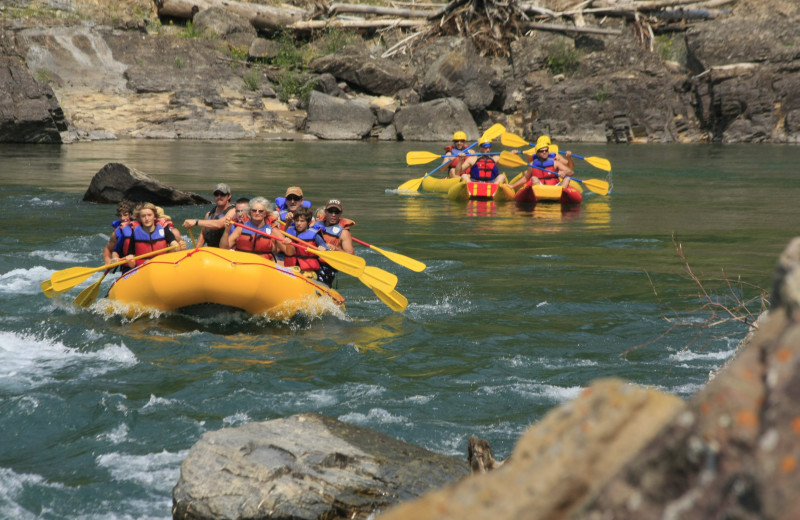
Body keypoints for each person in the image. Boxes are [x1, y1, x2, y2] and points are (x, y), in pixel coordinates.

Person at [116, 202, 187, 268]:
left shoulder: (164, 229)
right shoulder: (135, 233)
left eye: (149, 215)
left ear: (155, 217)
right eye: (143, 216)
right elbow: (131, 258)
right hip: (143, 267)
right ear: (139, 218)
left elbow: (174, 244)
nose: (147, 218)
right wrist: (130, 261)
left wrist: (180, 247)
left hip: (163, 264)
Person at [225, 196, 290, 262]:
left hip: (262, 266)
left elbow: (288, 252)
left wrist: (289, 245)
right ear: (250, 212)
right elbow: (224, 248)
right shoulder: (241, 228)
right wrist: (226, 231)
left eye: (261, 211)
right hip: (242, 263)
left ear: (265, 213)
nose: (257, 213)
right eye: (254, 210)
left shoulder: (273, 230)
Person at [509, 136, 575, 190]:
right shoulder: (532, 160)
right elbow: (526, 177)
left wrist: (565, 170)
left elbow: (571, 169)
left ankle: (561, 194)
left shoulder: (556, 160)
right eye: (542, 151)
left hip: (555, 185)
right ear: (537, 152)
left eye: (546, 150)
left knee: (567, 178)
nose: (544, 152)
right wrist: (512, 186)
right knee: (530, 176)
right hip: (539, 184)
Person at [315, 199, 355, 286]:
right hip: (312, 261)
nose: (333, 215)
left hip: (328, 267)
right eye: (330, 211)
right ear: (325, 212)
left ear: (341, 213)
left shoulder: (344, 233)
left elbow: (351, 257)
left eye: (336, 212)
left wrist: (336, 249)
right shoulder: (315, 224)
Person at [182, 183, 236, 248]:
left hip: (226, 251)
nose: (219, 197)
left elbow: (219, 224)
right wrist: (196, 250)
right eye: (216, 194)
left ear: (229, 196)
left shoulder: (233, 211)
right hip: (211, 251)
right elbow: (203, 234)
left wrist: (196, 222)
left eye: (222, 194)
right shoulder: (209, 215)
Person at [283, 206, 328, 279]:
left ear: (309, 222)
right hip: (293, 268)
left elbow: (327, 252)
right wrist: (288, 245)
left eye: (302, 221)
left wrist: (323, 251)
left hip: (310, 272)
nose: (298, 223)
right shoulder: (289, 232)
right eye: (297, 220)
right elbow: (290, 253)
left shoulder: (315, 235)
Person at [102, 200, 134, 267]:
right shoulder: (117, 232)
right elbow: (107, 249)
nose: (122, 218)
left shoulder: (142, 226)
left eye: (125, 215)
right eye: (120, 216)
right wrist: (108, 261)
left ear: (131, 215)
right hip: (127, 268)